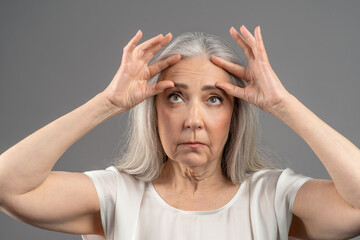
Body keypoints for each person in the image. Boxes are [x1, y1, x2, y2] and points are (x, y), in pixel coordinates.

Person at [0, 25, 359, 240]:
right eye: (175, 97)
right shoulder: (117, 196)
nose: (193, 119)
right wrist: (107, 103)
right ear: (153, 110)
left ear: (235, 115)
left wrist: (283, 104)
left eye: (215, 99)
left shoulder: (274, 196)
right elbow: (7, 185)